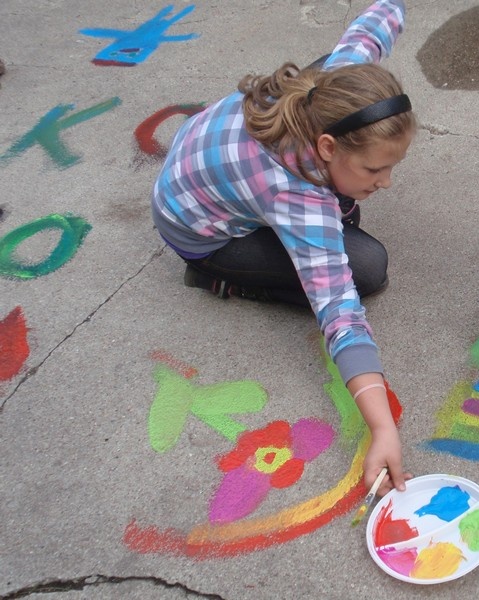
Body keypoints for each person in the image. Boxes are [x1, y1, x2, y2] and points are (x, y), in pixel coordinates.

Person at [151, 0, 413, 493]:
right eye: (375, 169)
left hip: (203, 171)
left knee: (348, 229)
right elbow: (338, 307)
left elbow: (371, 28)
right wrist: (382, 426)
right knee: (367, 270)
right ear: (329, 149)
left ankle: (298, 218)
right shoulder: (293, 192)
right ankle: (218, 277)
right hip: (202, 232)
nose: (388, 182)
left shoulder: (332, 86)